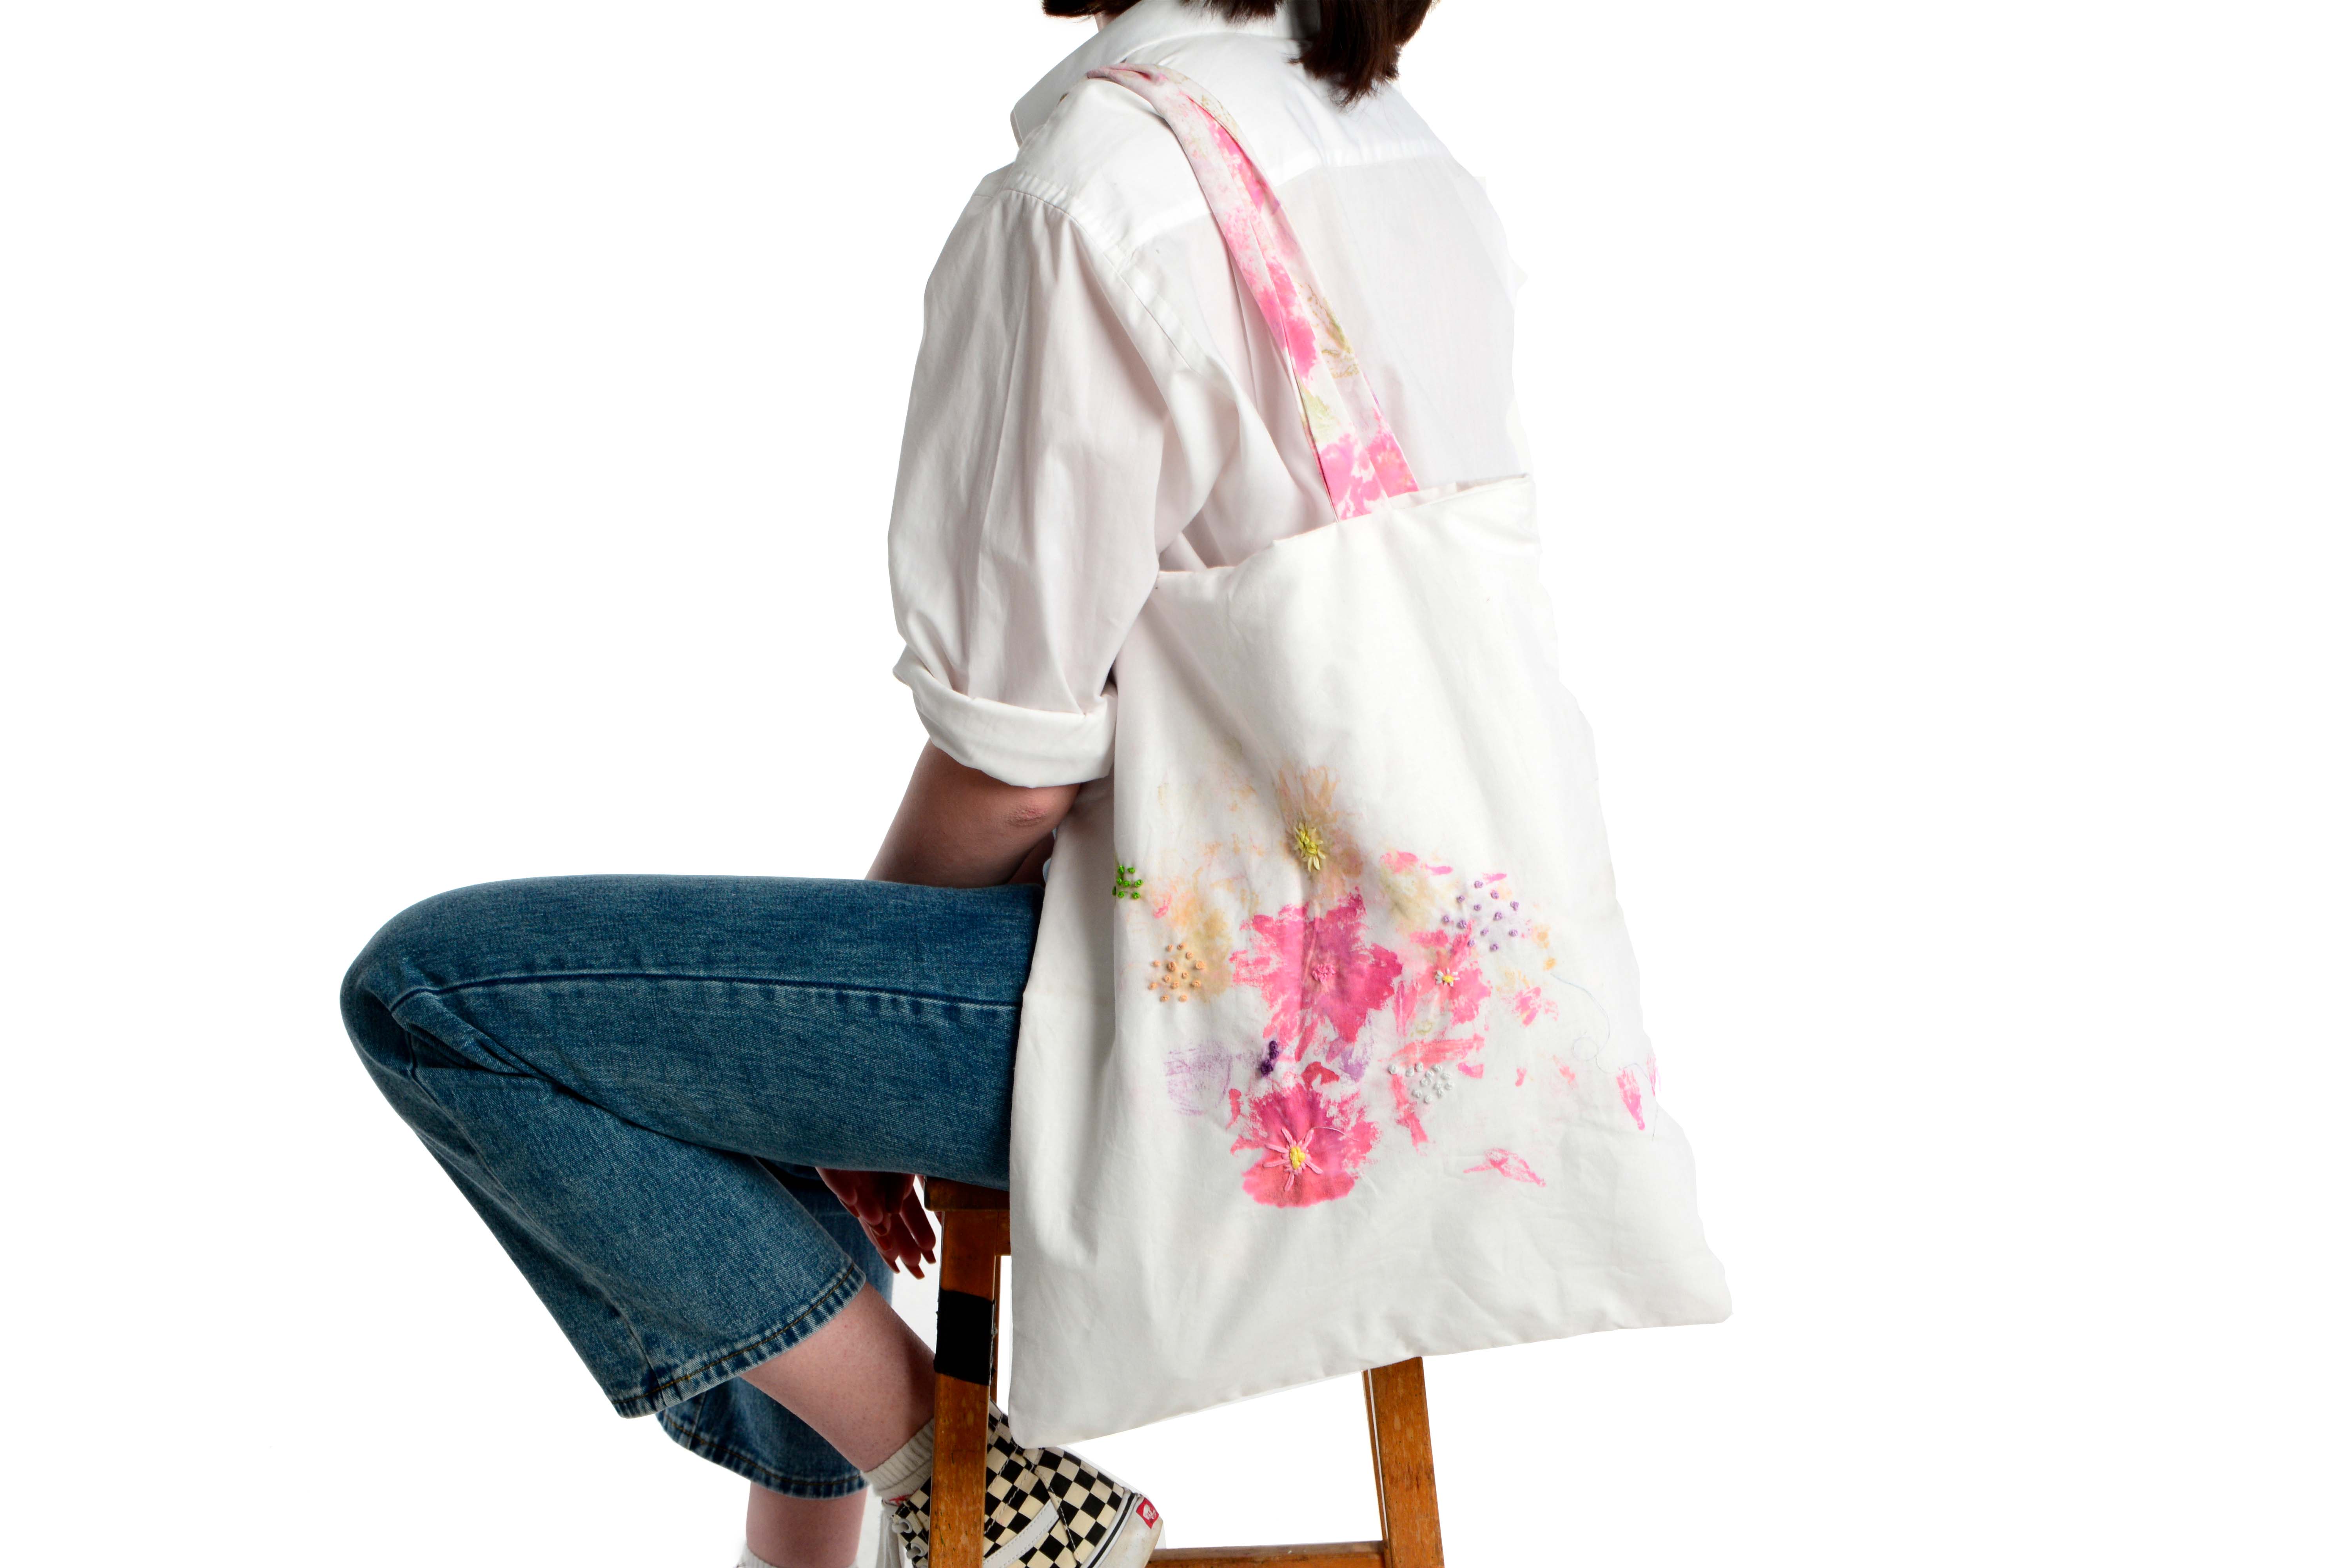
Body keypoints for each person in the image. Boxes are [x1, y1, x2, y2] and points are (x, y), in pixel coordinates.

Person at [340, 4, 1510, 1565]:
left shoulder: (1096, 189)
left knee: (440, 996)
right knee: (723, 1034)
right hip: (1438, 1002)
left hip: (1200, 1021)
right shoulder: (1396, 155)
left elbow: (1011, 772)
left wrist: (830, 1053)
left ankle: (991, 1497)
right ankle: (835, 1537)